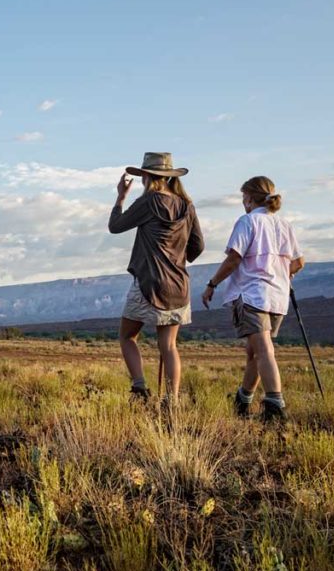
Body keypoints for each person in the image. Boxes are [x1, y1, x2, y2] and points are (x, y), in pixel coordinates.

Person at [202, 176, 303, 421]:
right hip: (277, 298)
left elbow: (234, 259)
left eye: (243, 198)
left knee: (264, 351)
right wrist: (278, 273)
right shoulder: (283, 225)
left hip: (252, 295)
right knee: (255, 352)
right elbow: (298, 262)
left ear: (248, 198)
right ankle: (243, 399)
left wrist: (212, 284)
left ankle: (274, 405)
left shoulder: (247, 221)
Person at [109, 152, 204, 404]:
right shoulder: (187, 206)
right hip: (178, 285)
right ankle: (171, 400)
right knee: (169, 346)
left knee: (127, 336)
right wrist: (177, 256)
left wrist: (120, 197)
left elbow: (115, 225)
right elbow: (198, 247)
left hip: (149, 283)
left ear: (148, 176)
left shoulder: (149, 202)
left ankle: (139, 388)